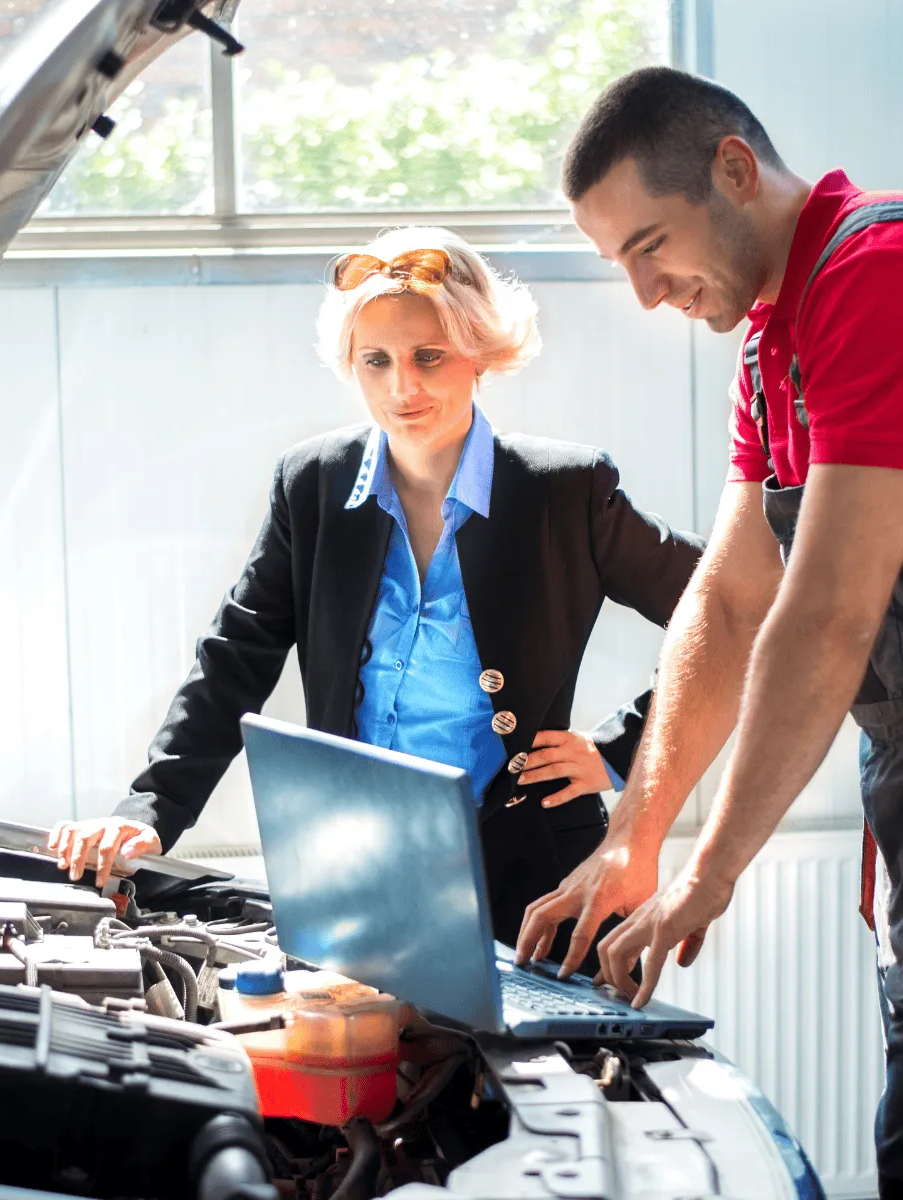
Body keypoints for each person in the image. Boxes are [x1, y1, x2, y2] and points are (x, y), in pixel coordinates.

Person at [49, 225, 703, 972]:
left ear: (482, 351)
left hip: (536, 885)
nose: (403, 388)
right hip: (355, 877)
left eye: (430, 357)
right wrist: (150, 812)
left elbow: (728, 612)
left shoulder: (565, 489)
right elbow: (236, 655)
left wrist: (618, 751)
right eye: (377, 361)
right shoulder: (313, 483)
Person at [513, 66, 903, 1195]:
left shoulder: (875, 277)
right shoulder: (771, 343)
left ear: (734, 169)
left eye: (651, 246)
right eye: (619, 263)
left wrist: (711, 870)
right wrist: (638, 832)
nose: (644, 293)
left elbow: (825, 615)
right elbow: (733, 600)